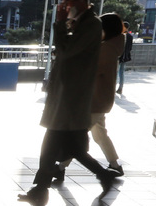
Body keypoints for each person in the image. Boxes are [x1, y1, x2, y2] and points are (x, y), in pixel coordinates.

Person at [18, 0, 119, 206]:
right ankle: (44, 189)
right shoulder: (81, 22)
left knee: (58, 146)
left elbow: (66, 52)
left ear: (82, 0)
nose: (65, 5)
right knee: (65, 147)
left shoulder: (91, 25)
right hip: (65, 95)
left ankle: (43, 190)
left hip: (73, 98)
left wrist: (60, 24)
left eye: (68, 1)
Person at [54, 12, 125, 181]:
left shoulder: (106, 49)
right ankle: (115, 165)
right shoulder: (109, 46)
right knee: (99, 134)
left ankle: (60, 168)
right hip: (100, 100)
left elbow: (89, 71)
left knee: (75, 138)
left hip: (94, 101)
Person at [116, 20, 133, 95]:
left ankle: (113, 87)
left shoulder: (120, 35)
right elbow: (130, 47)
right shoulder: (130, 36)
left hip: (119, 57)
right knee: (121, 72)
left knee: (116, 72)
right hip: (125, 57)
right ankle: (120, 88)